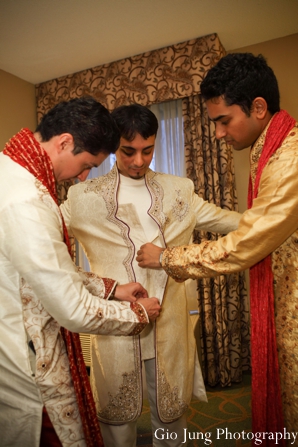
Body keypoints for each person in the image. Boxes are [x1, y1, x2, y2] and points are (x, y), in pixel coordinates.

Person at [137, 53, 298, 440]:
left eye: (224, 121)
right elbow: (257, 223)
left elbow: (246, 241)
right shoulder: (272, 154)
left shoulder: (289, 159)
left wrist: (168, 258)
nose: (218, 134)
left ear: (258, 108)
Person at [60, 103, 242, 447]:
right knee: (115, 421)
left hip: (169, 321)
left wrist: (275, 223)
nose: (139, 161)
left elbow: (230, 222)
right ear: (114, 146)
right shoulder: (82, 198)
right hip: (116, 325)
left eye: (148, 150)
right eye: (128, 152)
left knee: (171, 416)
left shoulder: (180, 190)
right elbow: (43, 237)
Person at [0, 97, 161, 447]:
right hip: (27, 356)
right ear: (64, 143)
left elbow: (44, 268)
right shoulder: (27, 201)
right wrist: (137, 313)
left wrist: (110, 288)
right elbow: (71, 309)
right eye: (87, 164)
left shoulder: (12, 171)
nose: (84, 176)